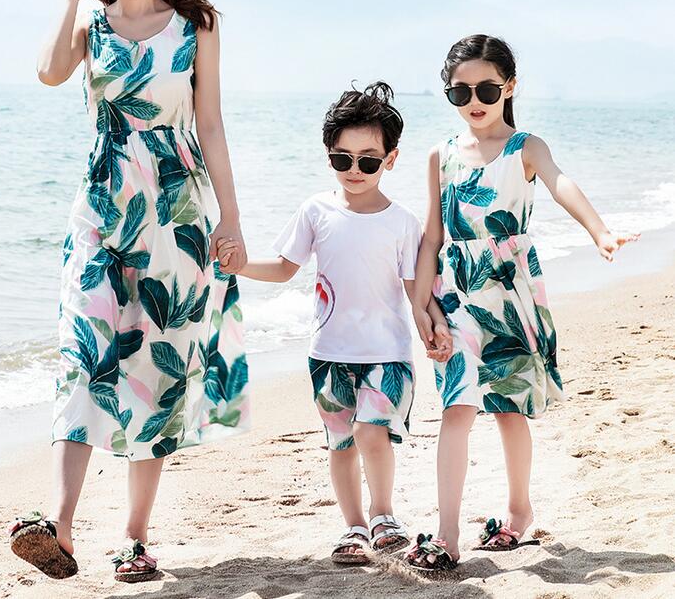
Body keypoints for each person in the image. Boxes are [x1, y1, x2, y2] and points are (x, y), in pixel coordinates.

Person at [8, 0, 248, 583]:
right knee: (84, 353)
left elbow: (211, 124)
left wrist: (231, 217)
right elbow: (49, 73)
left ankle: (135, 537)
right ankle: (58, 525)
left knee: (156, 371)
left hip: (176, 213)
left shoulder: (196, 22)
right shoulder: (91, 24)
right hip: (100, 209)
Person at [405, 34, 638, 571]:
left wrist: (599, 231)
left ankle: (518, 512)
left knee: (508, 409)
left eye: (487, 89)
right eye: (460, 92)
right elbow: (432, 237)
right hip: (455, 294)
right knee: (456, 407)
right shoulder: (440, 155)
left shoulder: (525, 147)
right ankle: (446, 536)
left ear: (509, 87)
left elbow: (560, 183)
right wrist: (420, 305)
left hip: (508, 292)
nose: (474, 101)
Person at [219, 82, 451, 565]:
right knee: (341, 442)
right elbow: (285, 268)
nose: (354, 170)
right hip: (328, 354)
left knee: (371, 431)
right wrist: (240, 266)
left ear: (391, 159)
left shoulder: (403, 222)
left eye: (368, 160)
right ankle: (354, 527)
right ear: (329, 156)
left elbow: (417, 291)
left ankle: (384, 515)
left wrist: (433, 326)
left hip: (387, 353)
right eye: (342, 159)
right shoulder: (316, 210)